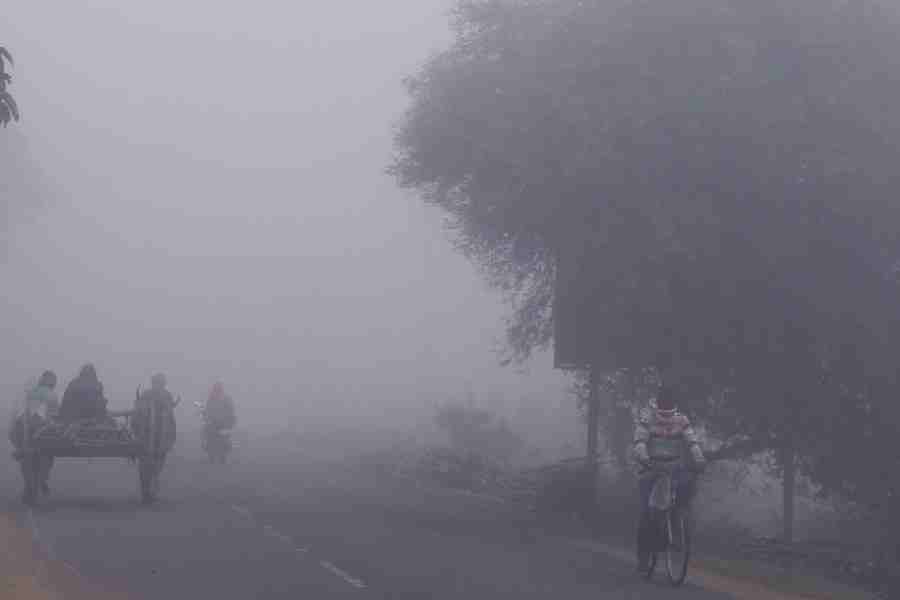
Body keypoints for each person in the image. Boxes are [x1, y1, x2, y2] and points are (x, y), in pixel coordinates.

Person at [633, 384, 706, 572]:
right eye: (664, 402)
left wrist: (699, 460)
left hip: (674, 468)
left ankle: (678, 528)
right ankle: (644, 554)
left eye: (669, 402)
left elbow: (692, 442)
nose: (666, 405)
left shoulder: (681, 420)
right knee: (646, 513)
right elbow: (640, 442)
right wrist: (644, 459)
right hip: (651, 468)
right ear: (658, 402)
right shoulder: (647, 418)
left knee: (683, 495)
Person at [132, 373, 178, 456]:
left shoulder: (167, 396)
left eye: (161, 383)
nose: (158, 386)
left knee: (159, 456)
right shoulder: (146, 395)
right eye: (157, 383)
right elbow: (137, 415)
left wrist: (170, 439)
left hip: (161, 436)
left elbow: (171, 420)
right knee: (146, 456)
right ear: (153, 383)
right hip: (146, 435)